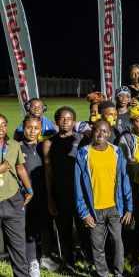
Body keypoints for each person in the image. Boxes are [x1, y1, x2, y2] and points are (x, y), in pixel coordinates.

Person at [75, 120, 133, 277]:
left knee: (117, 242)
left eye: (105, 131)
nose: (101, 134)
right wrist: (84, 212)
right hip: (94, 210)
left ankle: (118, 272)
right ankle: (102, 273)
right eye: (98, 131)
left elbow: (124, 180)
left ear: (109, 133)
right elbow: (78, 186)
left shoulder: (117, 152)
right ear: (92, 131)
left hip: (115, 207)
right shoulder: (83, 153)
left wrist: (129, 207)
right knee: (97, 245)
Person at [43, 106, 90, 272]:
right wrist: (50, 198)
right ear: (56, 121)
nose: (65, 122)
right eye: (62, 119)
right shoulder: (49, 143)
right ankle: (68, 262)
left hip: (80, 194)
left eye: (69, 119)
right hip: (60, 193)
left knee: (85, 228)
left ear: (74, 121)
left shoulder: (82, 139)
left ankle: (90, 258)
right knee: (64, 230)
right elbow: (48, 173)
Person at [20, 115, 59, 276]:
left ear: (41, 129)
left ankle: (45, 257)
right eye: (29, 127)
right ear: (23, 127)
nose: (32, 131)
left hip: (44, 194)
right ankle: (32, 261)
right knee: (29, 228)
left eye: (36, 128)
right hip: (25, 197)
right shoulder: (17, 147)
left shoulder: (44, 147)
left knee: (46, 226)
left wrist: (50, 197)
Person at [118, 106, 139, 274]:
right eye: (138, 120)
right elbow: (128, 165)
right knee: (132, 223)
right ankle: (130, 255)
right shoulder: (126, 139)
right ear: (132, 122)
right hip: (132, 187)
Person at [0, 113, 34, 277]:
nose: (1, 128)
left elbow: (20, 168)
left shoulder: (13, 145)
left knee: (18, 245)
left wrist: (29, 190)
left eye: (4, 124)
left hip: (13, 199)